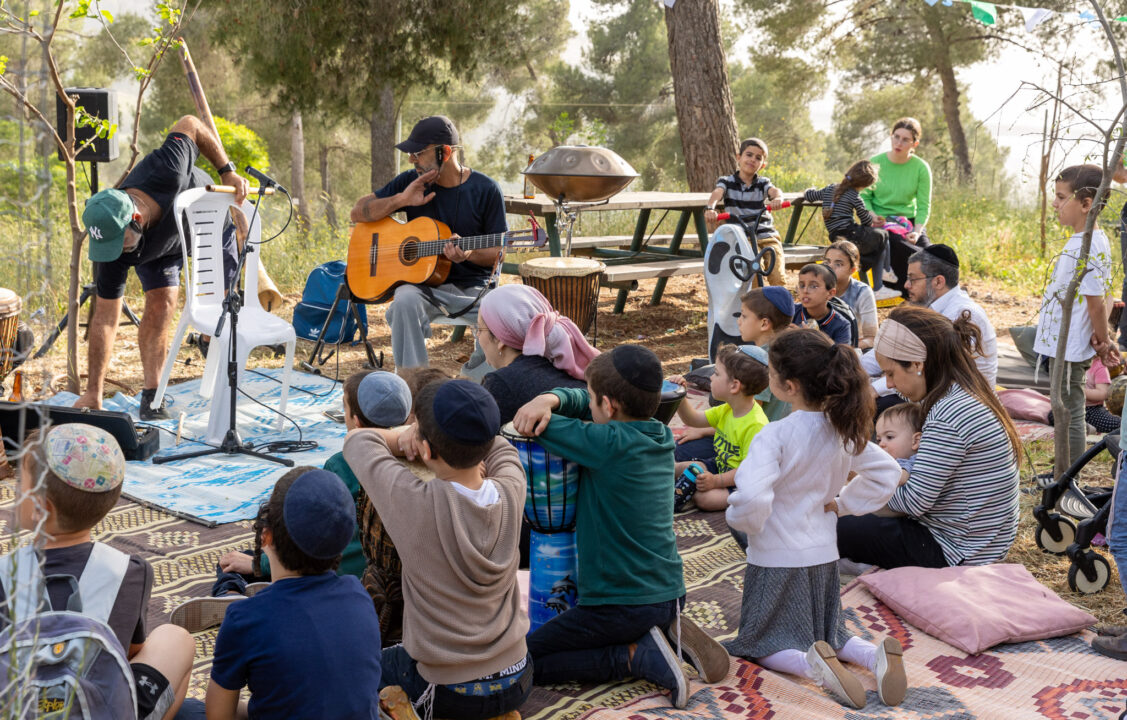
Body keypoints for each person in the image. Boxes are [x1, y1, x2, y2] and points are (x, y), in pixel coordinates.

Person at [513, 345, 730, 707]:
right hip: (670, 592)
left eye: (595, 401)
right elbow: (584, 400)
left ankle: (633, 656)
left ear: (610, 407)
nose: (589, 405)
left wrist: (541, 404)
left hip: (621, 606)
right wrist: (554, 395)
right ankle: (664, 626)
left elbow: (537, 425)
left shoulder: (606, 443)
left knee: (525, 659)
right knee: (613, 625)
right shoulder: (659, 434)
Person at [724, 328, 905, 710]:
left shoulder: (774, 435)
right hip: (823, 553)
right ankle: (874, 657)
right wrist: (843, 504)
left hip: (776, 556)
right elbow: (888, 473)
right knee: (831, 632)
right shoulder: (842, 429)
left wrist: (745, 523)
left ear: (788, 386)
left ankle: (814, 667)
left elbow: (753, 498)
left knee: (760, 643)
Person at [343, 379, 531, 719]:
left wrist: (404, 436)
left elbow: (358, 441)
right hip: (518, 676)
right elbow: (501, 447)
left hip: (449, 691)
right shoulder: (513, 488)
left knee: (353, 666)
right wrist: (432, 435)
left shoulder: (416, 504)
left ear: (426, 451)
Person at [2, 424, 195, 720]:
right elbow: (129, 653)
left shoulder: (4, 574)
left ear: (41, 508)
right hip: (99, 710)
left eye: (21, 485)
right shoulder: (131, 571)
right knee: (176, 637)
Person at [76, 116, 250, 420]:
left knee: (221, 308)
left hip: (207, 225)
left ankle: (208, 343)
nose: (117, 254)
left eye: (122, 244)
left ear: (137, 219)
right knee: (162, 304)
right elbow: (104, 319)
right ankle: (152, 394)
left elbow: (191, 123)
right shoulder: (114, 246)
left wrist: (227, 172)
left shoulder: (167, 169)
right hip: (163, 248)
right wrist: (94, 390)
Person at [838, 305, 1023, 569]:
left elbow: (913, 502)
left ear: (917, 365)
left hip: (958, 550)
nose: (888, 383)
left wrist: (861, 484)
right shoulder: (958, 390)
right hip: (976, 539)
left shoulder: (948, 415)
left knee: (830, 523)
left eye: (890, 373)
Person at [202, 468, 384, 720]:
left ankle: (230, 590)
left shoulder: (244, 619)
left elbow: (217, 716)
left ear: (265, 536)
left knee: (187, 708)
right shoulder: (360, 595)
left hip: (257, 613)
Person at [350, 115, 507, 378]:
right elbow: (358, 212)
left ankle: (478, 383)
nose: (412, 159)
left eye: (417, 153)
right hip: (425, 288)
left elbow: (498, 253)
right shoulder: (411, 182)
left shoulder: (486, 189)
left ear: (445, 152)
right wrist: (400, 199)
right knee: (404, 299)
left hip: (474, 290)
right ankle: (413, 386)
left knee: (502, 312)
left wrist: (468, 253)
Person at [1035, 164, 1121, 466]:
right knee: (1063, 407)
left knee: (1070, 411)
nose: (1056, 204)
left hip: (1071, 344)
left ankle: (1066, 474)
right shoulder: (1080, 241)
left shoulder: (1090, 244)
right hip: (1063, 342)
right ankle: (1062, 470)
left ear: (1086, 204)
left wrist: (1103, 339)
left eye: (1061, 197)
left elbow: (1097, 301)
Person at [478, 283, 597, 425]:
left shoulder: (501, 384)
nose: (477, 335)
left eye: (479, 329)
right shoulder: (565, 362)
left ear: (499, 338)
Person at [670, 344, 769, 512]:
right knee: (689, 467)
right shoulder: (728, 409)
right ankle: (663, 473)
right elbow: (693, 419)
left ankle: (688, 492)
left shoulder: (756, 425)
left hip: (739, 481)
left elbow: (748, 471)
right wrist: (680, 396)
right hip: (719, 466)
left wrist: (716, 481)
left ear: (734, 386)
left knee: (706, 499)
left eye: (716, 373)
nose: (711, 378)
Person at [860, 117, 932, 297]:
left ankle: (932, 295)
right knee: (906, 251)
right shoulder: (875, 163)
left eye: (905, 139)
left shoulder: (921, 168)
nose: (898, 142)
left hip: (910, 223)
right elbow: (864, 197)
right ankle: (911, 294)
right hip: (880, 222)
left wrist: (917, 231)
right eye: (896, 136)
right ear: (891, 136)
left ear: (915, 143)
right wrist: (871, 215)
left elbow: (924, 205)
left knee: (931, 255)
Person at [804, 161, 895, 298]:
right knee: (883, 235)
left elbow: (809, 196)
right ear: (865, 185)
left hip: (836, 236)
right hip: (850, 234)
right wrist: (873, 221)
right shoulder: (855, 196)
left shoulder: (830, 188)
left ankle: (884, 274)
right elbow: (866, 221)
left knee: (879, 237)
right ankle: (883, 276)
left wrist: (809, 190)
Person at [704, 138, 786, 287]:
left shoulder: (763, 183)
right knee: (752, 272)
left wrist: (778, 198)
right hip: (743, 238)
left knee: (777, 274)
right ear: (738, 157)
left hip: (767, 235)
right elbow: (717, 192)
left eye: (758, 158)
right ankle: (755, 306)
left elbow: (774, 191)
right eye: (749, 155)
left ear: (762, 165)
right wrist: (710, 208)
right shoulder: (726, 181)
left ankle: (779, 307)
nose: (752, 160)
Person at [737, 286, 795, 421]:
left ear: (764, 323)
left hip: (762, 435)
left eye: (744, 316)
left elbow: (749, 417)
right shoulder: (790, 350)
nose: (739, 321)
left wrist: (706, 430)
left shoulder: (758, 361)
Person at [824, 241, 878, 349]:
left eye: (838, 264)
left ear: (852, 270)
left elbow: (872, 338)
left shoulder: (862, 292)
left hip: (851, 350)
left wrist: (843, 349)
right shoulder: (818, 287)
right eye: (827, 262)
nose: (830, 267)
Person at [793, 264, 855, 346]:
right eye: (802, 285)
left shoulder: (842, 325)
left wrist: (815, 338)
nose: (805, 291)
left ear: (830, 293)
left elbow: (842, 356)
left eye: (813, 286)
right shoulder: (790, 312)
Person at [875, 402, 923, 472]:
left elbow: (898, 478)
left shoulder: (916, 462)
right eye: (879, 440)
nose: (881, 444)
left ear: (915, 441)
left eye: (889, 437)